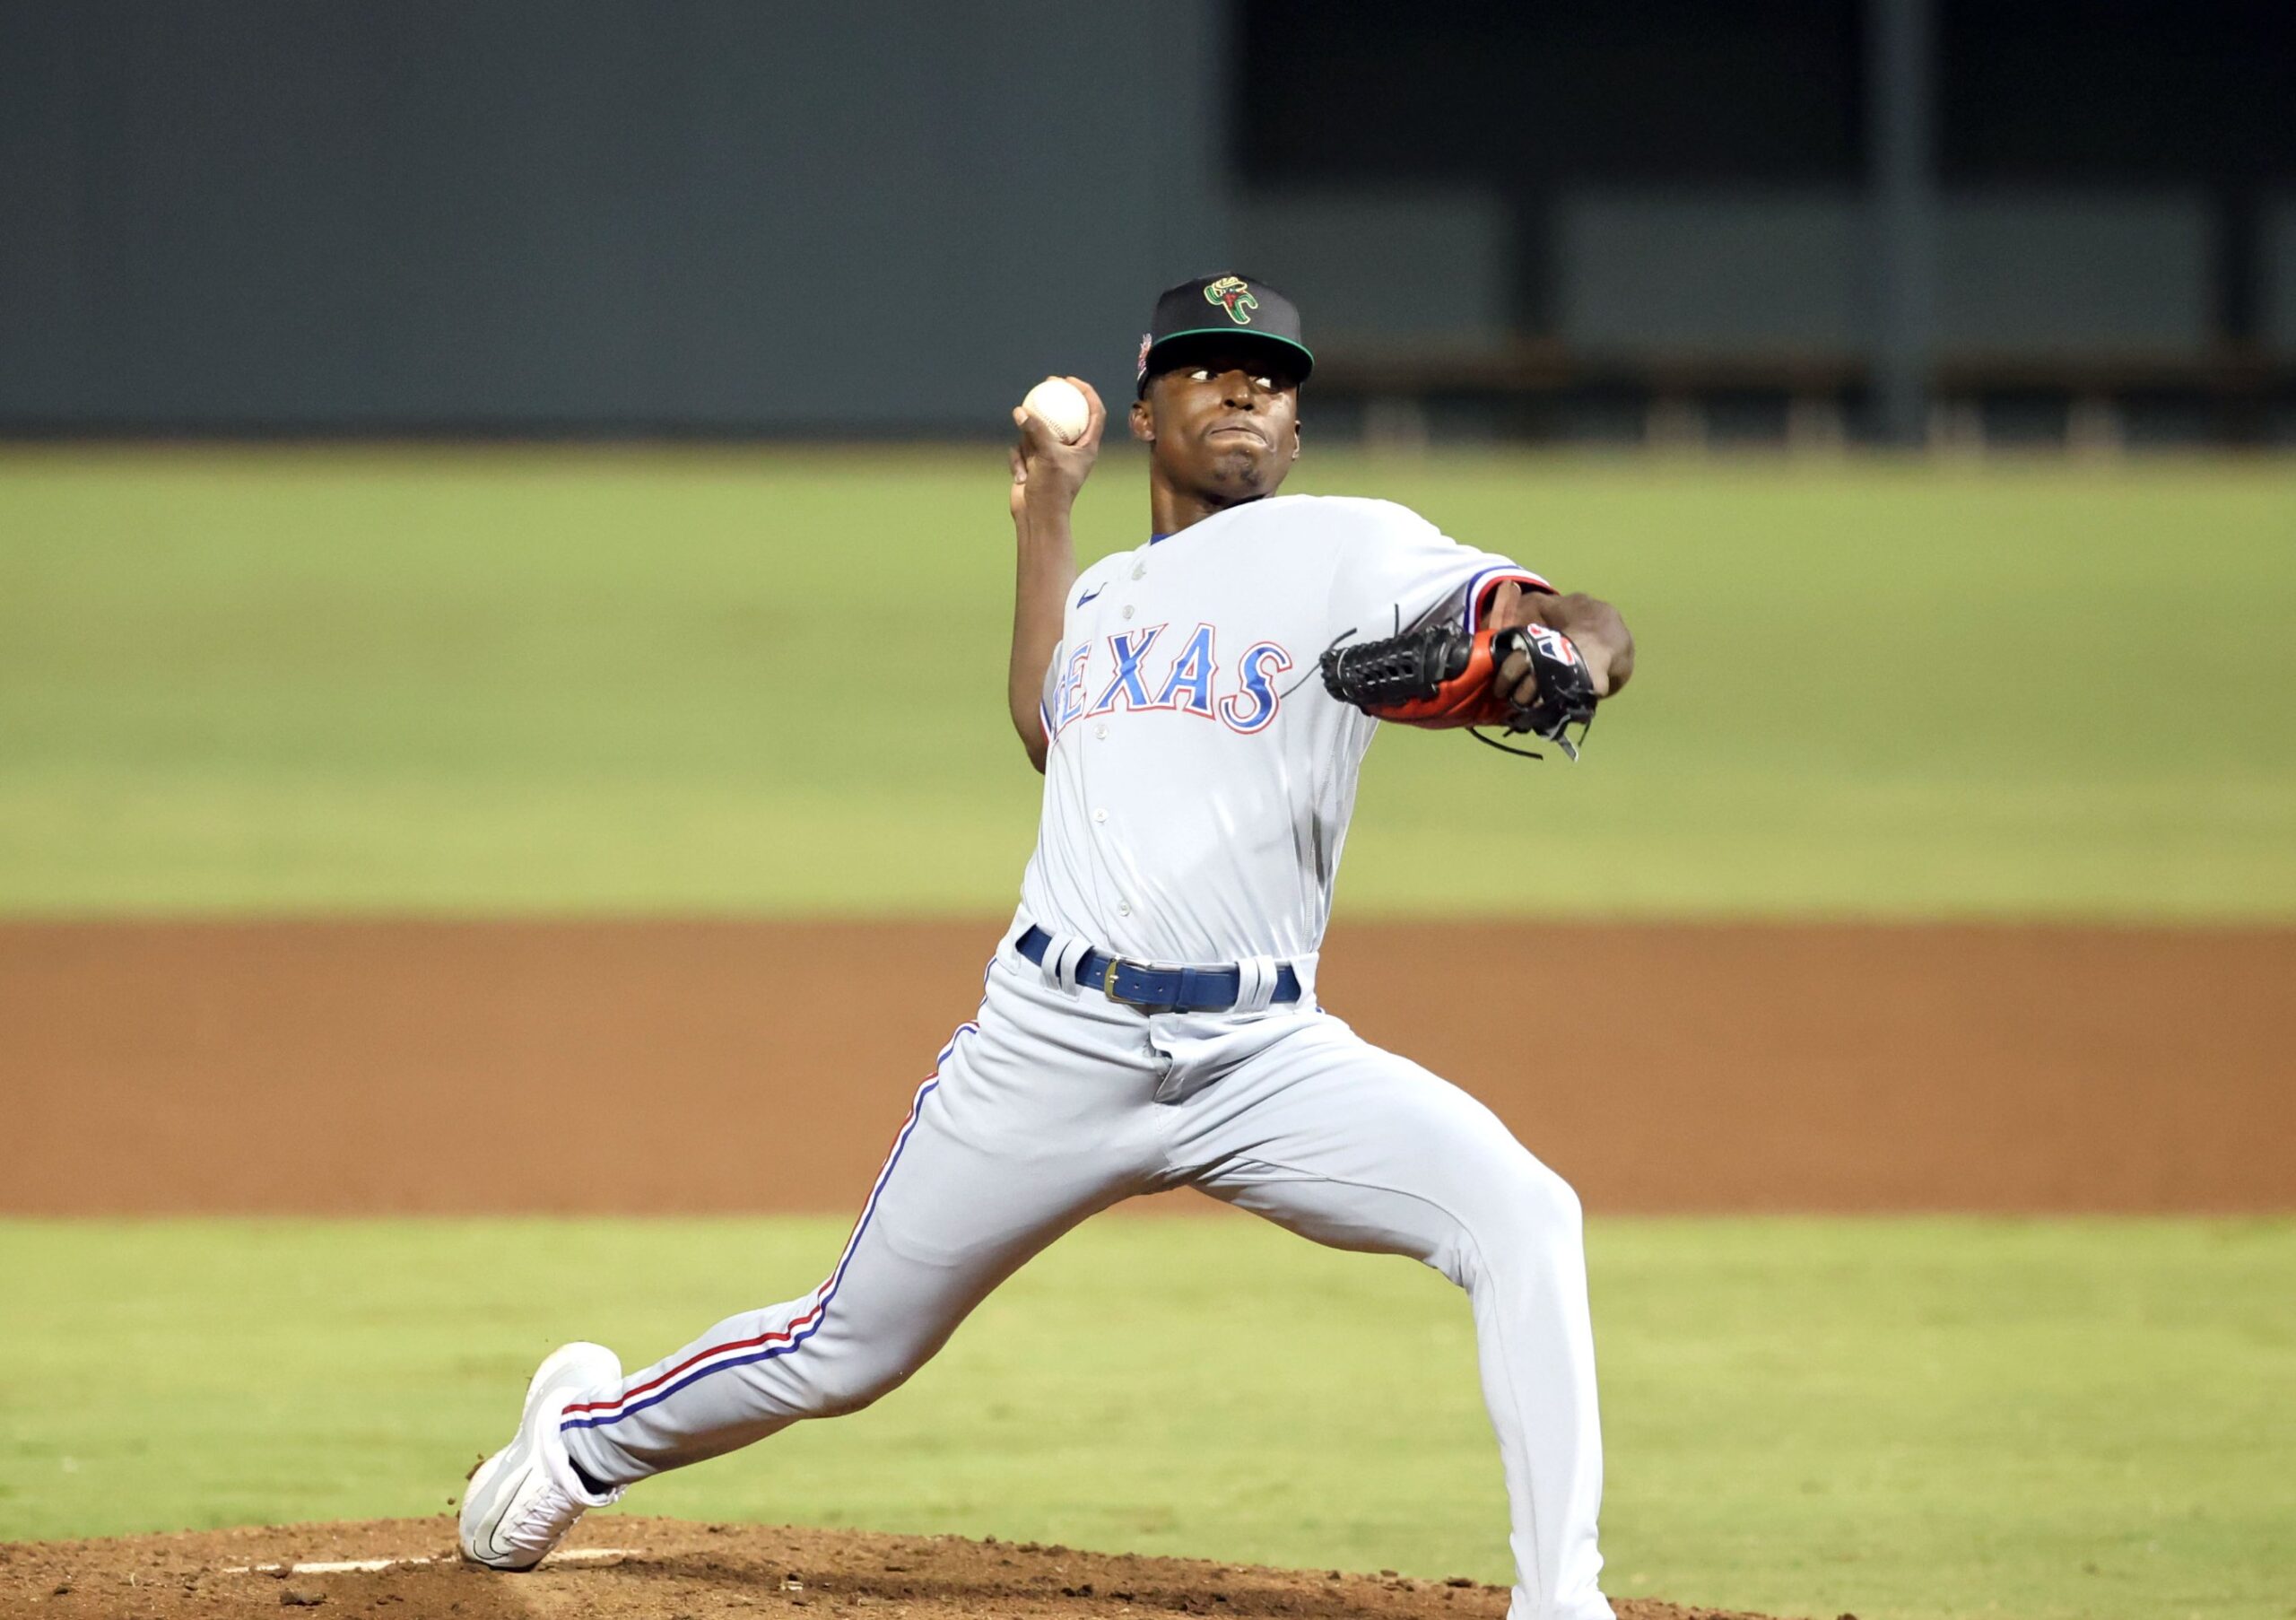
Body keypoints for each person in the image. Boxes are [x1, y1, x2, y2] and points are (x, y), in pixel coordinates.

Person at [459, 274, 1635, 1620]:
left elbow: (1584, 615)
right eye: (1206, 366)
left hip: (1265, 1055)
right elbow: (1043, 718)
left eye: (1271, 374)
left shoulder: (1353, 547)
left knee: (1526, 1212)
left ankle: (1563, 1601)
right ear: (1146, 406)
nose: (1243, 387)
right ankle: (579, 1442)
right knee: (846, 1347)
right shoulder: (1116, 592)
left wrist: (1569, 657)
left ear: (1298, 428)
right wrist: (1049, 508)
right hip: (1049, 1045)